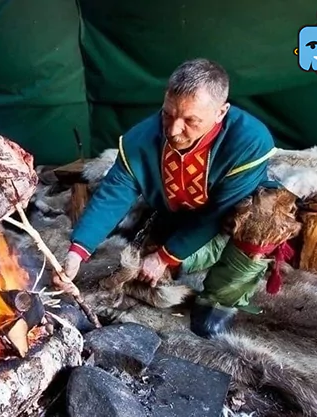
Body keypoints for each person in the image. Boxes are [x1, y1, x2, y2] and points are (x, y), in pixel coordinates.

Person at [54, 58, 279, 338]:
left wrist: (163, 257)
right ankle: (180, 259)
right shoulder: (142, 138)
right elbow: (114, 192)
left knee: (264, 214)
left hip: (226, 219)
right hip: (175, 215)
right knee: (147, 270)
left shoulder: (250, 140)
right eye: (168, 114)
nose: (173, 131)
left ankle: (220, 299)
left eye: (190, 121)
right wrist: (78, 250)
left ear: (221, 113)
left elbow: (215, 213)